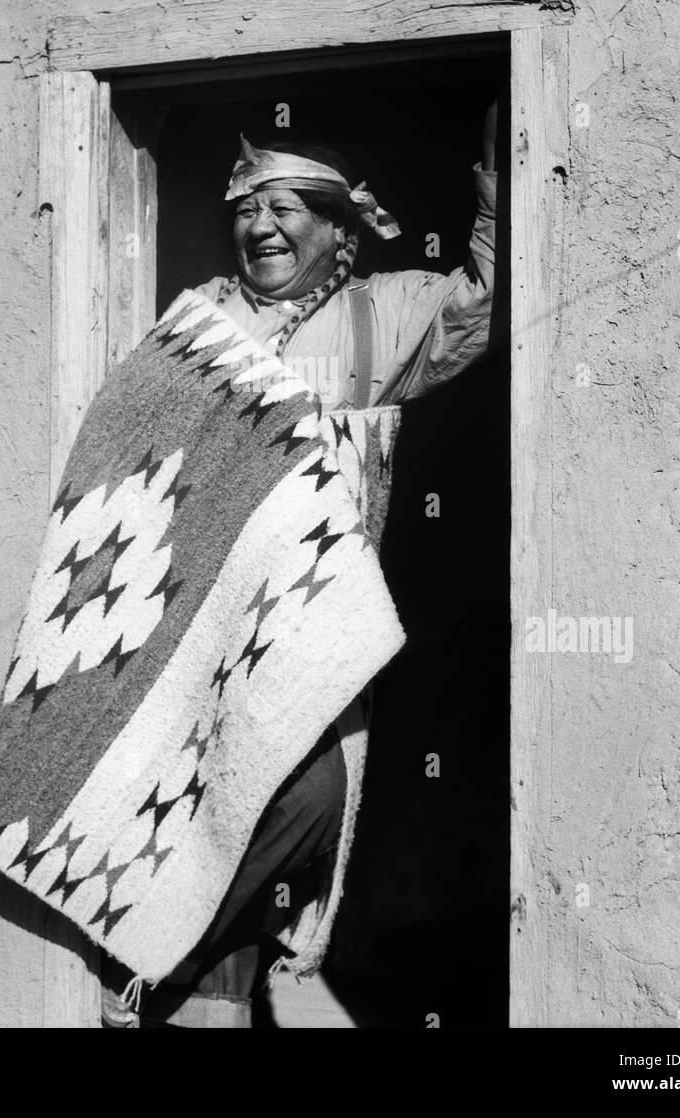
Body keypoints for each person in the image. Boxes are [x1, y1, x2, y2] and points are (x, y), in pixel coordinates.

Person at [101, 103, 498, 1027]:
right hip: (198, 626)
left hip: (313, 628)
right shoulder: (200, 318)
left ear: (336, 225)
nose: (262, 227)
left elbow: (484, 295)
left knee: (312, 793)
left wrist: (497, 175)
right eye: (248, 209)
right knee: (194, 815)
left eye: (285, 208)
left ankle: (173, 955)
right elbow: (136, 450)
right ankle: (202, 985)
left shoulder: (384, 315)